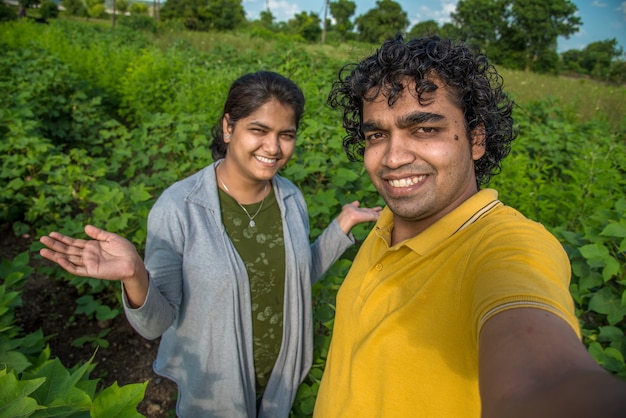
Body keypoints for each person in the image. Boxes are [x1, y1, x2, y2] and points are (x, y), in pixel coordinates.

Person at [313, 35, 626, 417]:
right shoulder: (388, 224)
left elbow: (543, 376)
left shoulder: (506, 246)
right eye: (377, 135)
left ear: (476, 140)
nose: (392, 158)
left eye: (425, 129)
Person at [39, 71, 381, 418]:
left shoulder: (290, 198)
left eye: (286, 135)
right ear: (228, 128)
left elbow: (294, 280)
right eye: (259, 130)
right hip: (216, 389)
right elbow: (155, 323)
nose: (273, 148)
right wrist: (135, 275)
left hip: (281, 377)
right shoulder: (179, 209)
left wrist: (342, 226)